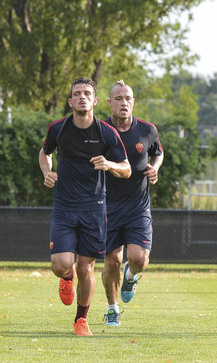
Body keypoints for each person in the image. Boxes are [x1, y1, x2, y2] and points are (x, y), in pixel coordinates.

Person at [39, 77, 131, 336]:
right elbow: (44, 152)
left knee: (86, 267)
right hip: (65, 207)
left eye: (87, 93)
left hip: (94, 208)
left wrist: (109, 165)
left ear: (95, 101)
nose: (82, 97)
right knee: (61, 264)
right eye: (77, 94)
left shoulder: (106, 132)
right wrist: (47, 170)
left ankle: (81, 320)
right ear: (70, 101)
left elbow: (126, 168)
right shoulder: (58, 129)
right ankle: (65, 279)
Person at [101, 80, 164, 326]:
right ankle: (112, 308)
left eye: (128, 98)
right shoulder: (100, 130)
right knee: (112, 261)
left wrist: (155, 168)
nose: (124, 102)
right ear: (109, 103)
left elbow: (158, 152)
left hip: (138, 208)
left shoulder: (147, 130)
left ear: (133, 102)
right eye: (118, 98)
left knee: (139, 260)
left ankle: (131, 276)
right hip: (106, 207)